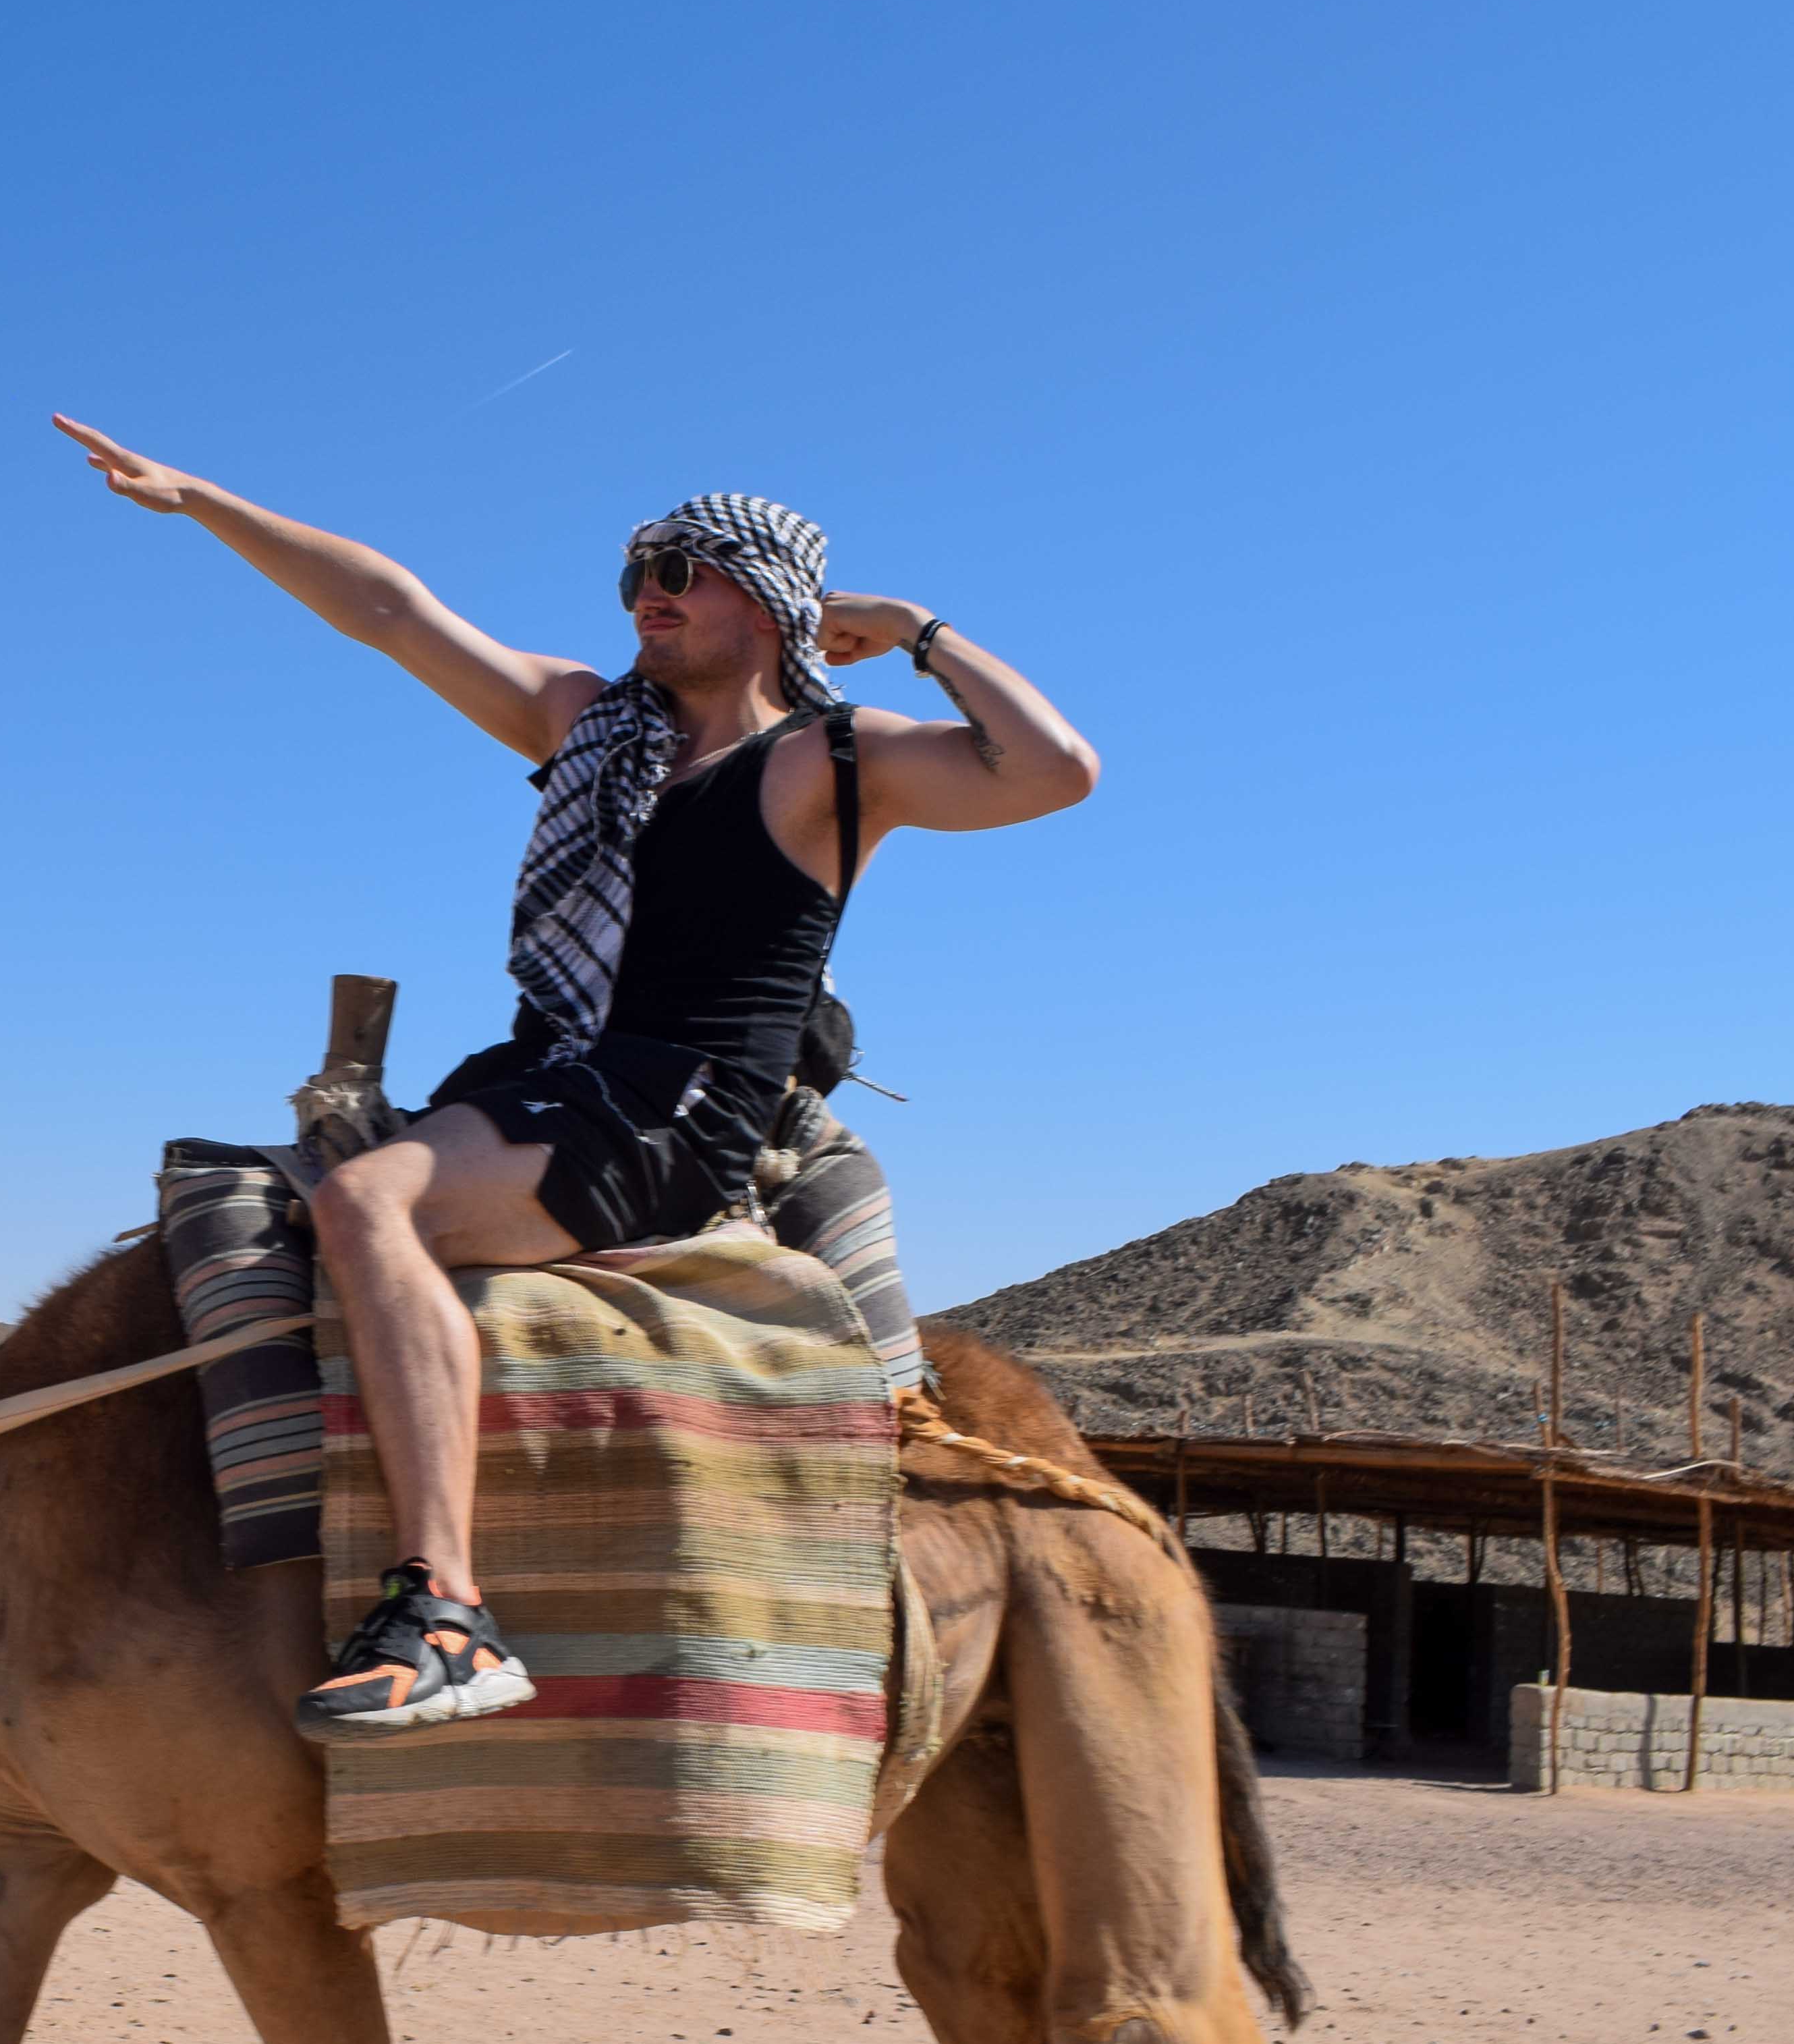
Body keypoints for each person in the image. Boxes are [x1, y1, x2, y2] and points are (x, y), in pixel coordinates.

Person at [56, 417, 1102, 1740]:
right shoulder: (589, 723)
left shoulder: (833, 762)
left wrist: (911, 628)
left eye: (681, 570)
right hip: (553, 1078)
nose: (646, 594)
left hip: (674, 1107)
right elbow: (391, 611)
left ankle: (445, 1613)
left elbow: (1056, 770)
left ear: (769, 603)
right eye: (634, 573)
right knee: (274, 1204)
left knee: (371, 1204)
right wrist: (205, 499)